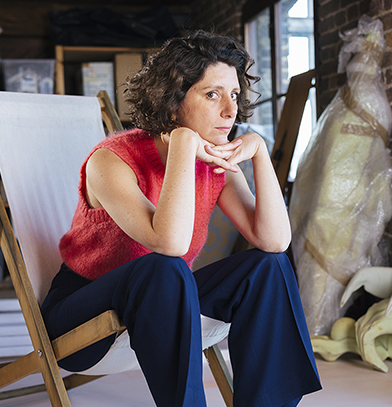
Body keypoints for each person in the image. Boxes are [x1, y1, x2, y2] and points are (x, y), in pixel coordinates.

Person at [40, 30, 322, 407]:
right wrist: (183, 147)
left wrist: (259, 156)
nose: (230, 110)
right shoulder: (109, 161)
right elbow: (169, 244)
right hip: (80, 324)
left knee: (268, 267)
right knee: (163, 267)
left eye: (234, 94)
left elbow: (274, 242)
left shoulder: (215, 160)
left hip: (164, 303)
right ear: (172, 101)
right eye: (212, 94)